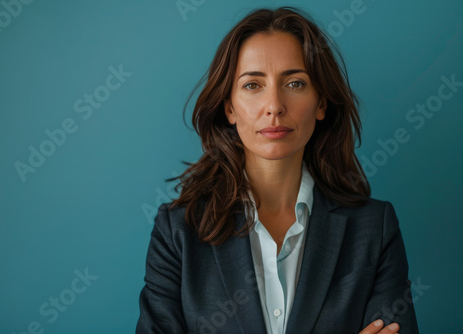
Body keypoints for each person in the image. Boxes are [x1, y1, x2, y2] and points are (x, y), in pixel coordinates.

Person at [137, 7, 418, 334]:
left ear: (321, 103)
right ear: (229, 107)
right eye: (253, 85)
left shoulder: (375, 229)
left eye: (295, 83)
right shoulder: (177, 233)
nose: (274, 106)